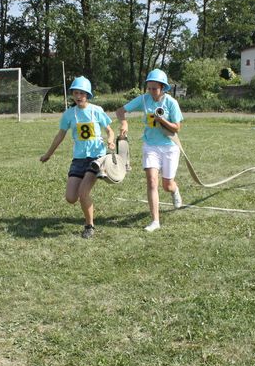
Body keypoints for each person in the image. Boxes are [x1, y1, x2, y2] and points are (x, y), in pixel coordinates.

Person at [40, 77, 114, 239]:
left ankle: (89, 226)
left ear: (88, 95)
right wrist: (48, 154)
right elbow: (60, 135)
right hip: (78, 159)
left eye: (81, 93)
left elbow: (110, 130)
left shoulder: (97, 110)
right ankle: (87, 209)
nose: (78, 96)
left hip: (96, 158)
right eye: (75, 93)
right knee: (71, 198)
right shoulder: (69, 114)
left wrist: (110, 140)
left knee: (83, 193)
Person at [116, 69, 184, 232]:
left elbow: (177, 127)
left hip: (169, 147)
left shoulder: (171, 103)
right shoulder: (144, 100)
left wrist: (162, 120)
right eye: (149, 88)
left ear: (163, 88)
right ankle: (155, 221)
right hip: (150, 146)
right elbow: (120, 111)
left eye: (155, 88)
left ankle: (175, 191)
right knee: (152, 181)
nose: (151, 91)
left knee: (167, 185)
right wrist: (124, 123)